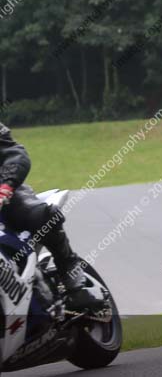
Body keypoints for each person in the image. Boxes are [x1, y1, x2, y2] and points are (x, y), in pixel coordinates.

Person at [0, 122, 103, 309]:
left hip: (8, 198)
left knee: (42, 216)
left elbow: (15, 154)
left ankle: (73, 281)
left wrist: (6, 186)